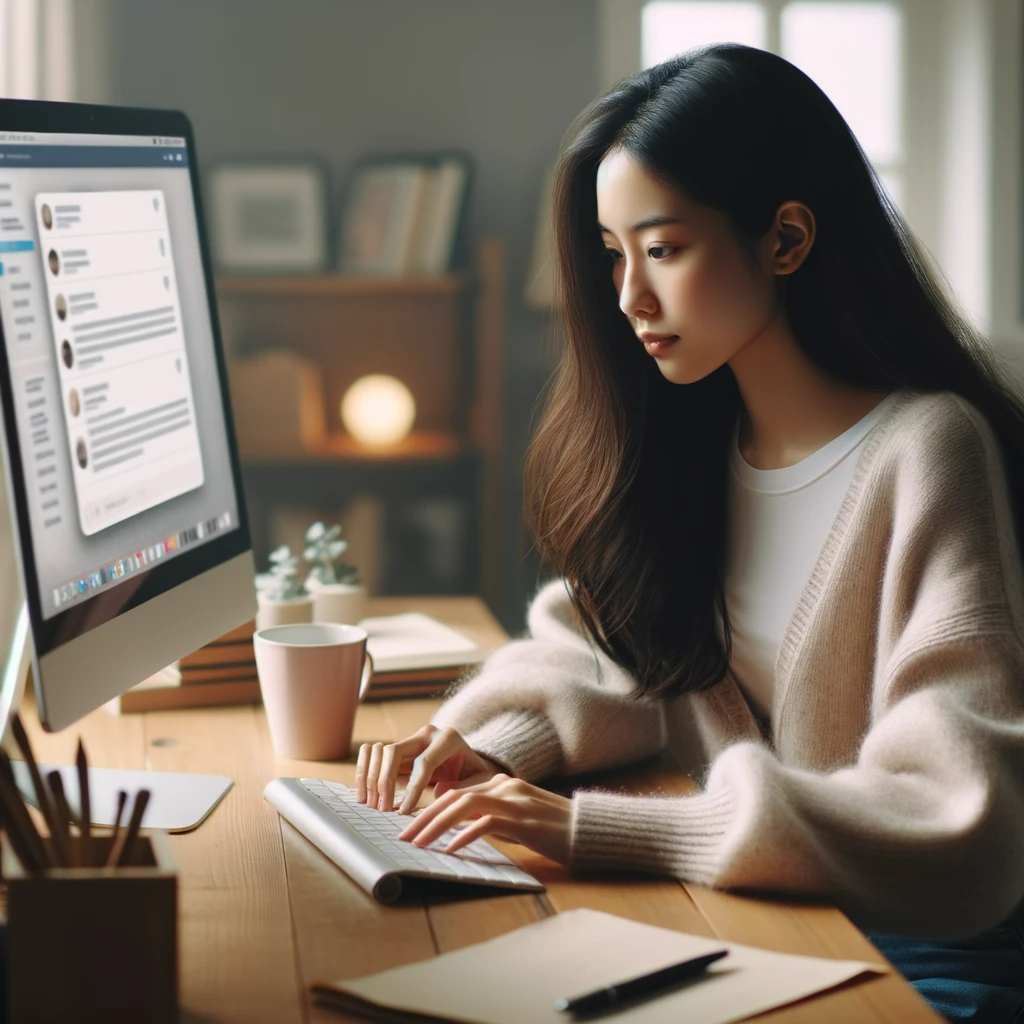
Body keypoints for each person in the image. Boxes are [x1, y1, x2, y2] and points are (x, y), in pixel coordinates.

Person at [356, 44, 1024, 1021]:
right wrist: (483, 750)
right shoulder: (696, 442)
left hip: (918, 955)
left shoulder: (926, 449)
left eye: (662, 249)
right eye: (612, 253)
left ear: (786, 239)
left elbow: (959, 816)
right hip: (763, 920)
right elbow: (612, 657)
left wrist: (596, 830)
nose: (629, 297)